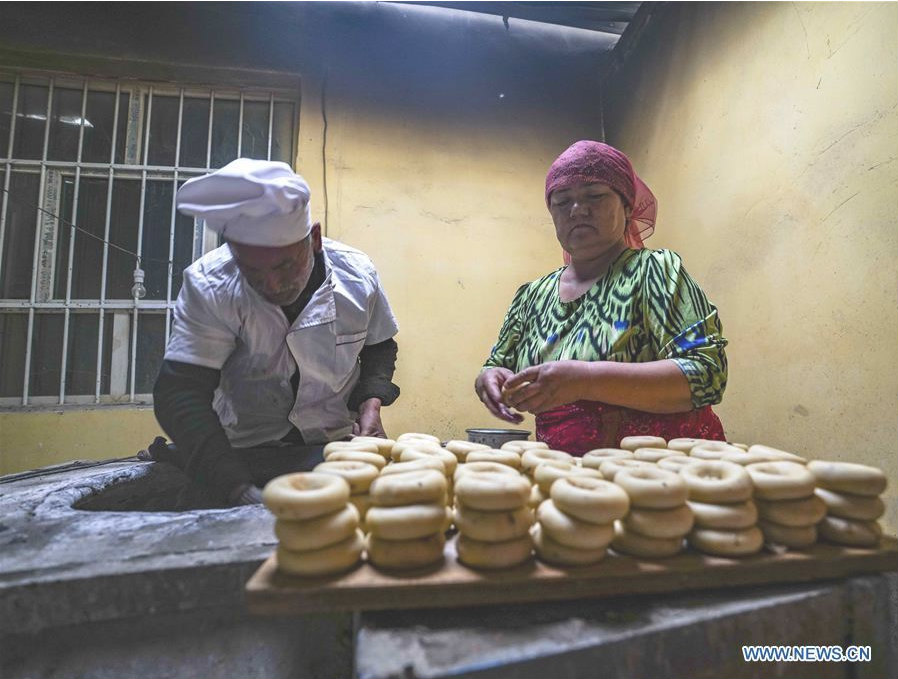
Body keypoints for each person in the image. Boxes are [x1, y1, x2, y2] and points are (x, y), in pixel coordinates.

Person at [149, 158, 400, 506]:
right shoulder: (210, 285)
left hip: (335, 448)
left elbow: (379, 347)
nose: (271, 284)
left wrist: (370, 402)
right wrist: (234, 488)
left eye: (284, 265)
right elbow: (181, 393)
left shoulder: (357, 275)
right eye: (251, 270)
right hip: (242, 450)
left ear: (313, 239)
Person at [474, 141, 727, 454]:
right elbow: (498, 365)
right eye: (562, 201)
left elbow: (706, 374)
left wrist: (587, 379)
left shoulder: (655, 272)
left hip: (663, 471)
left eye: (595, 196)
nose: (578, 209)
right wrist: (491, 379)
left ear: (627, 206)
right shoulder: (532, 297)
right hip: (569, 479)